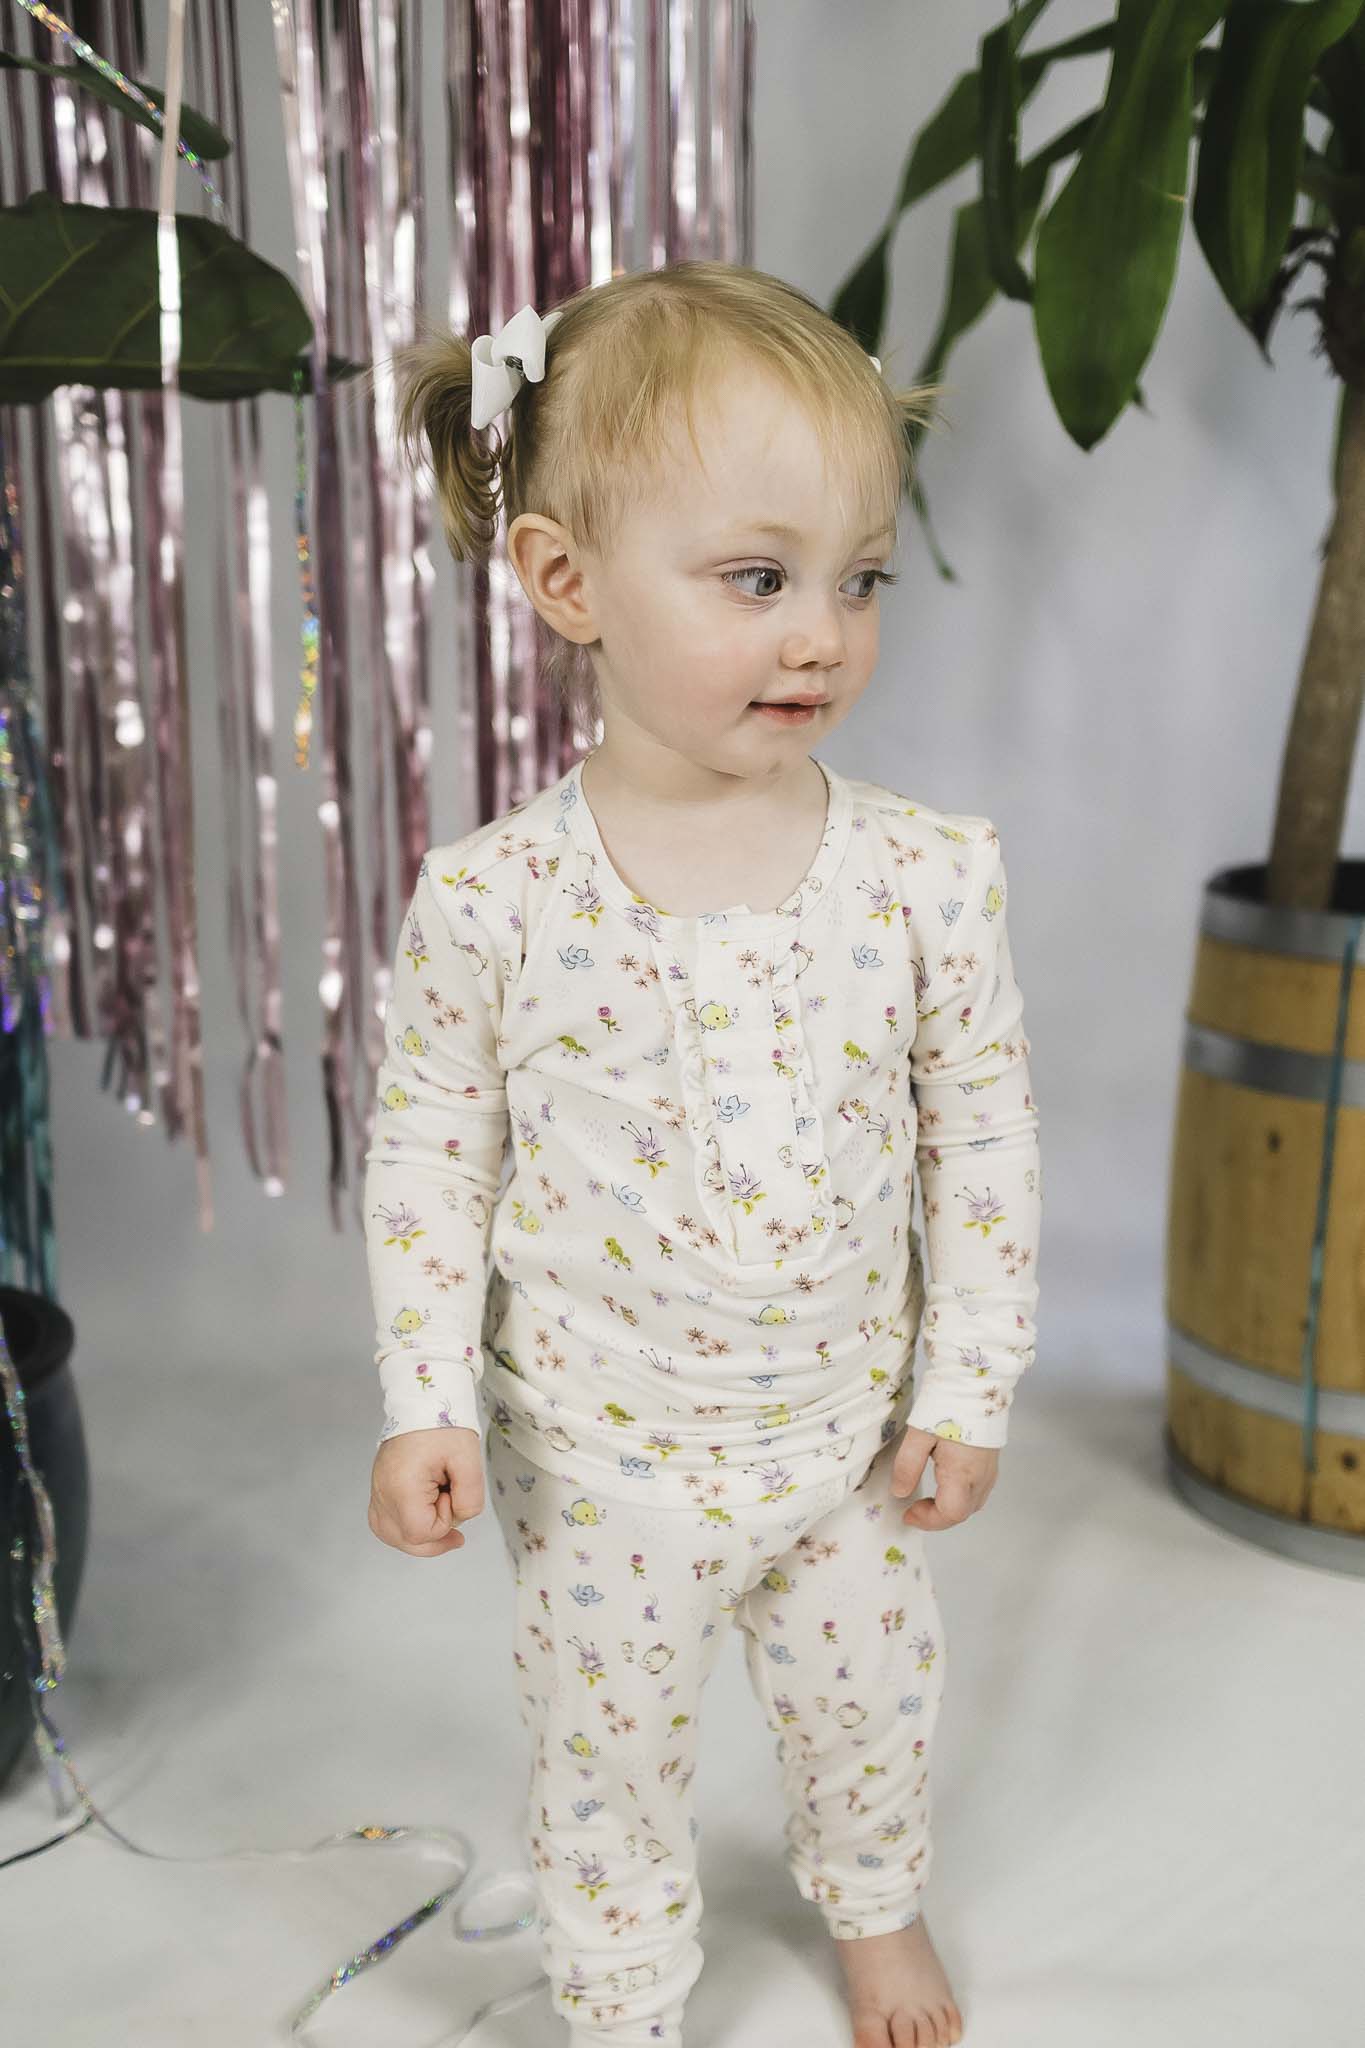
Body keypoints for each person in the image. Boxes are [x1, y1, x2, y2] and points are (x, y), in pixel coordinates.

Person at [362, 259, 1042, 2048]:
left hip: (839, 1434)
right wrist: (424, 1396)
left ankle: (874, 1902)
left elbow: (978, 1133)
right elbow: (430, 1156)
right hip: (599, 1454)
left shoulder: (921, 878)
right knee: (604, 1751)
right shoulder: (498, 900)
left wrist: (963, 1383)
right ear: (565, 581)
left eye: (857, 579)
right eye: (757, 578)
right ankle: (620, 1996)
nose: (820, 634)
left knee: (869, 1702)